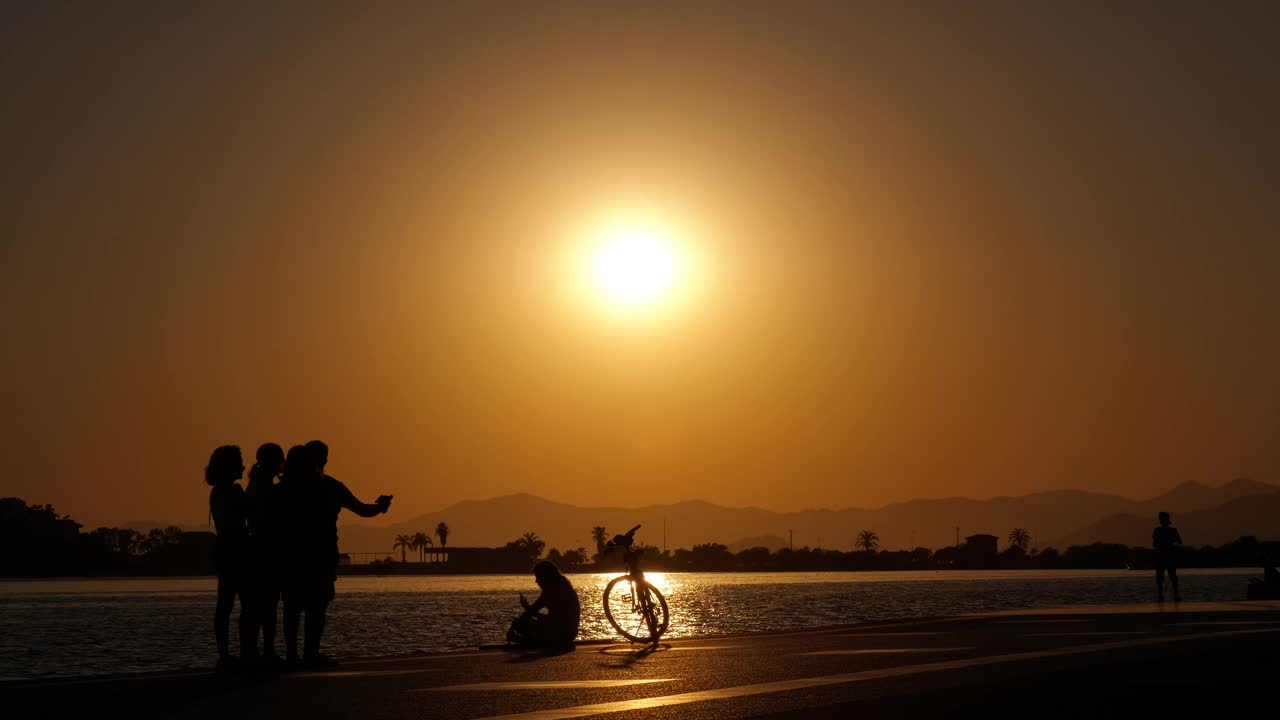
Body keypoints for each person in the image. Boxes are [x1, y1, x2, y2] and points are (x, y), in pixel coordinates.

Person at [281, 440, 392, 667]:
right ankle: (310, 654)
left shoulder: (284, 488)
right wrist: (381, 507)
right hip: (320, 556)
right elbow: (362, 509)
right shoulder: (330, 486)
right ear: (323, 460)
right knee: (316, 606)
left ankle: (292, 655)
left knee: (293, 606)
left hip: (292, 555)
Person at [206, 444, 251, 671]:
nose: (243, 466)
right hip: (237, 551)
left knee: (225, 604)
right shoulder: (233, 491)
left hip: (224, 550)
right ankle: (245, 653)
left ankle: (225, 654)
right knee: (248, 604)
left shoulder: (216, 491)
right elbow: (250, 512)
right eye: (239, 462)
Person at [244, 442, 284, 665]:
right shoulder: (264, 488)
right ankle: (264, 652)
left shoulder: (256, 484)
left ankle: (256, 652)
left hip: (260, 549)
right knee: (265, 605)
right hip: (264, 550)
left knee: (260, 605)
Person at [506, 560, 581, 649]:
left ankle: (529, 642)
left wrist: (525, 611)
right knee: (520, 623)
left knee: (520, 624)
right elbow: (534, 611)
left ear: (545, 576)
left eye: (538, 577)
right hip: (568, 634)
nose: (536, 581)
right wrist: (528, 610)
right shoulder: (562, 586)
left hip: (560, 633)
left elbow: (553, 620)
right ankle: (528, 641)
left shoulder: (553, 590)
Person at [1153, 511, 1183, 602]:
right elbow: (1179, 542)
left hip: (1163, 556)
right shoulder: (1172, 530)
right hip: (1167, 556)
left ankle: (1162, 596)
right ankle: (1174, 595)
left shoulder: (1158, 530)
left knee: (1163, 577)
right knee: (1170, 576)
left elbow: (1154, 544)